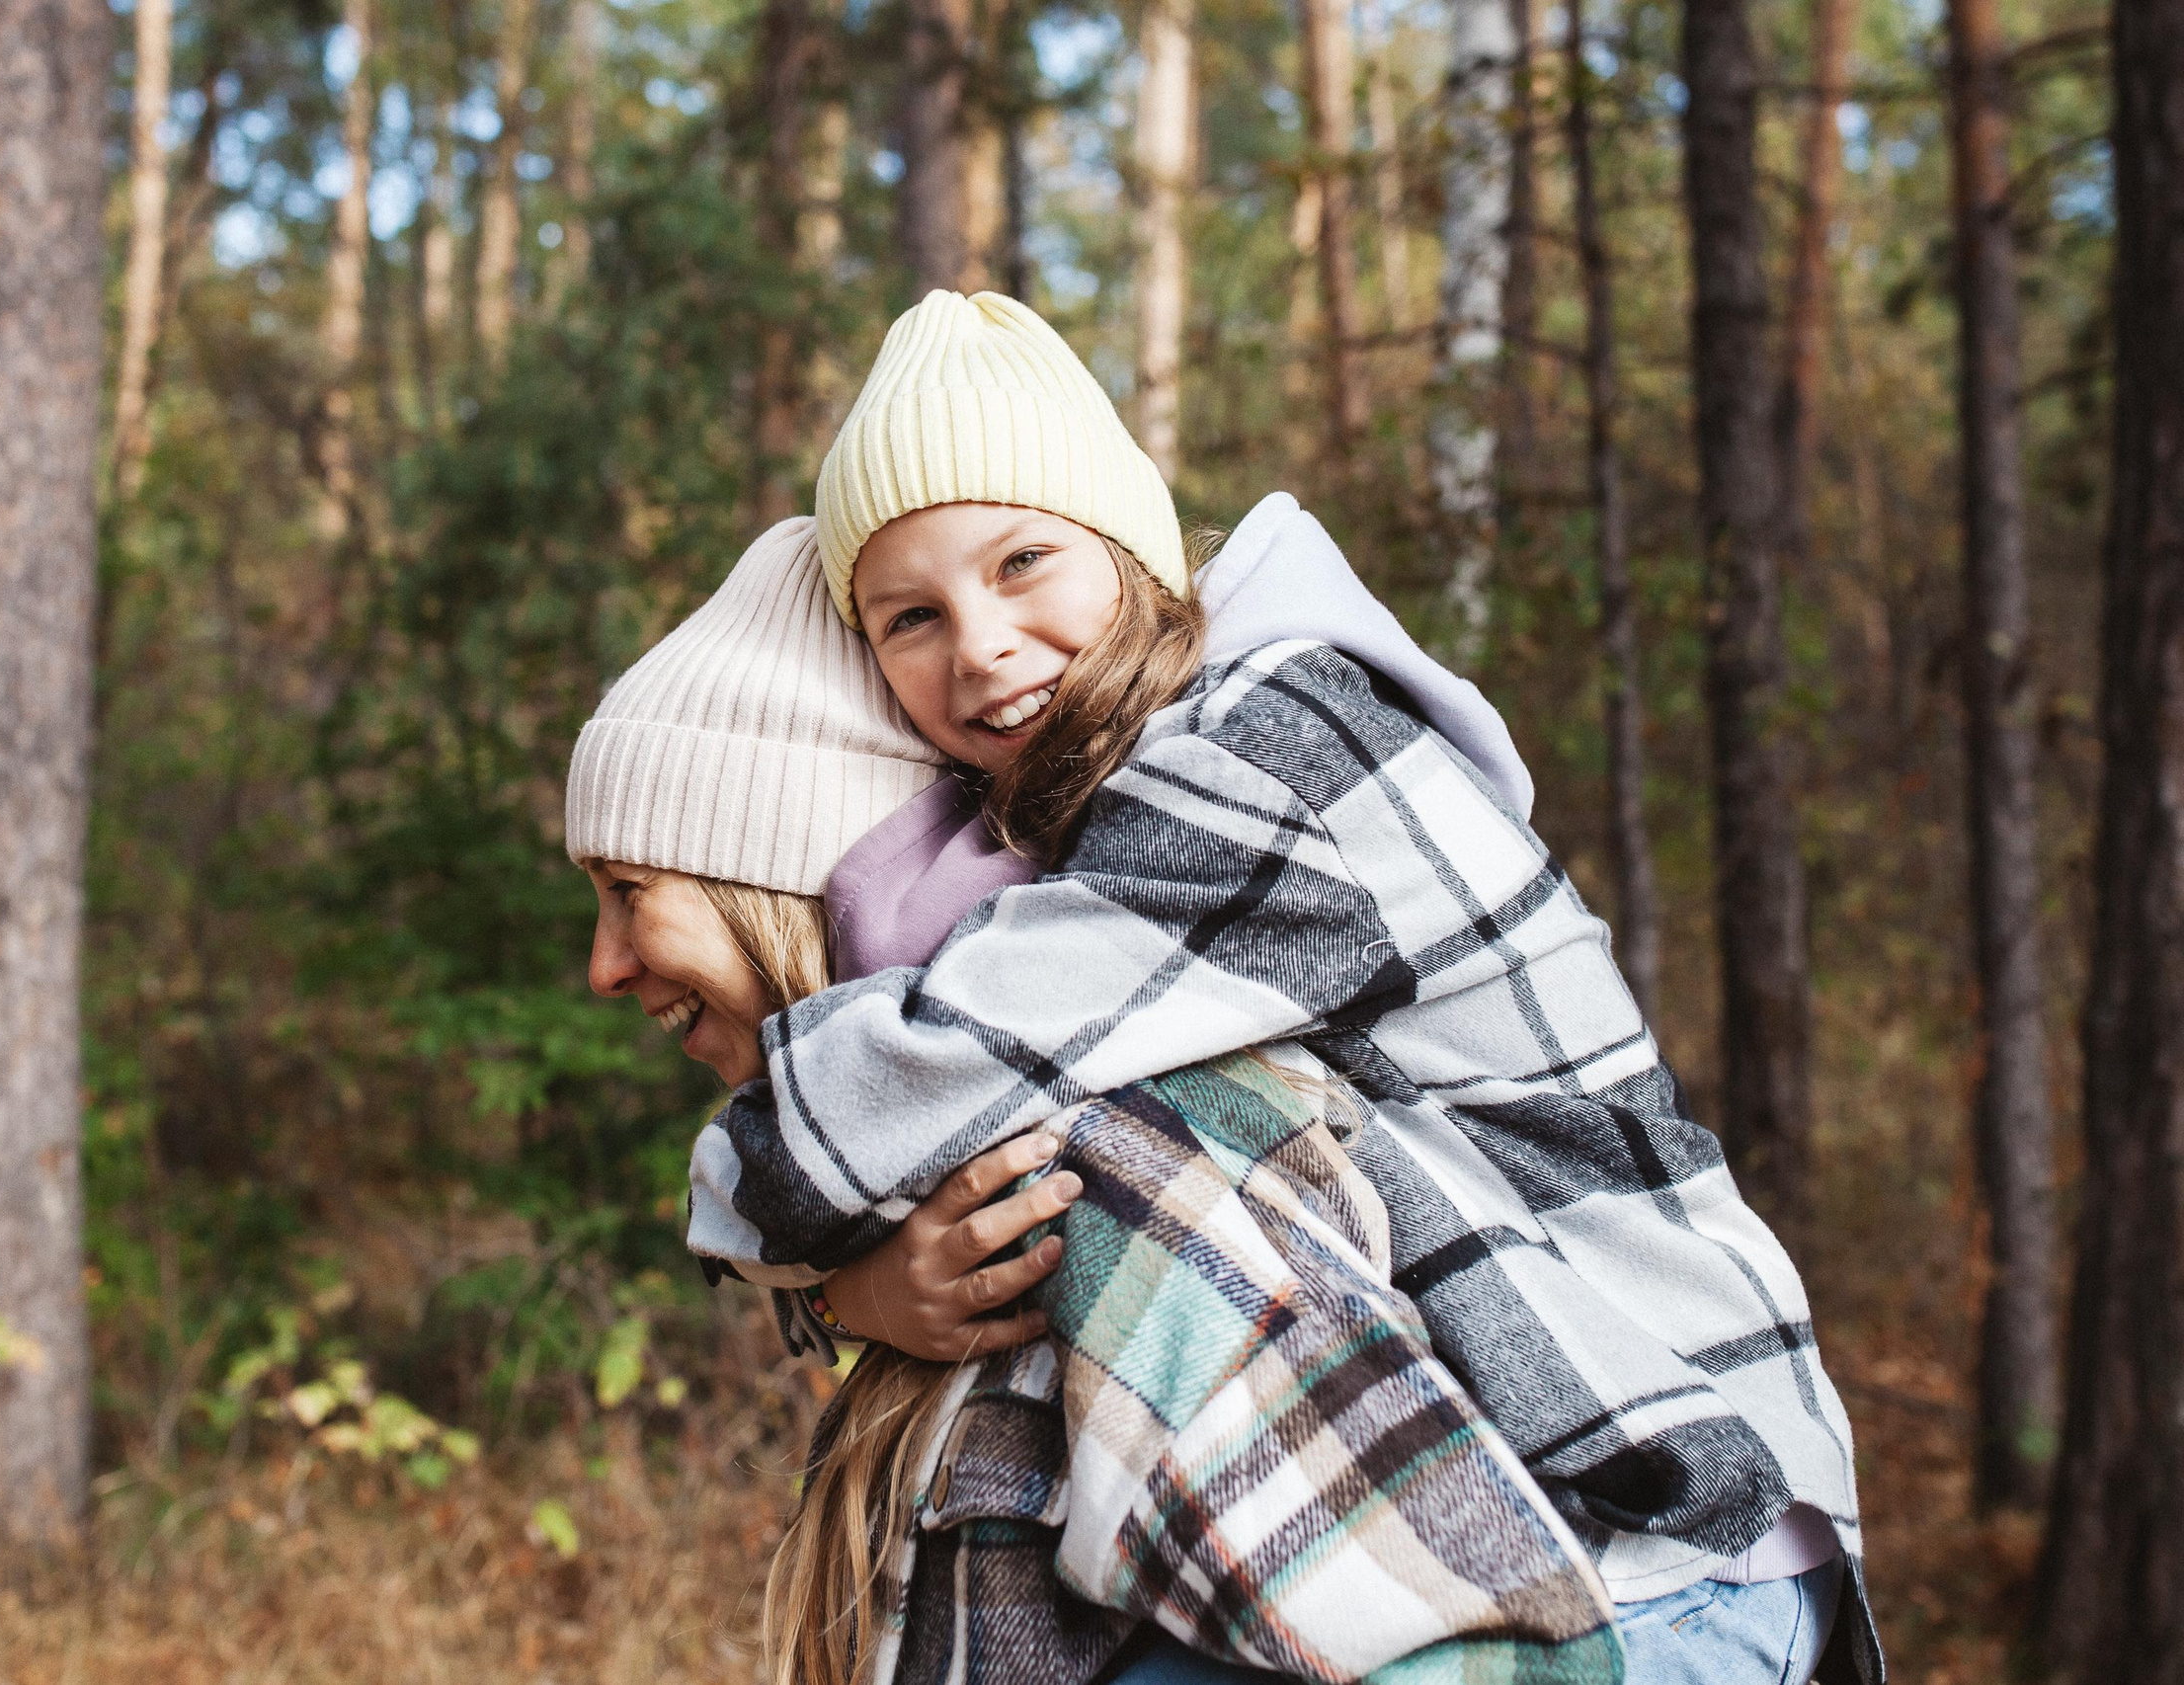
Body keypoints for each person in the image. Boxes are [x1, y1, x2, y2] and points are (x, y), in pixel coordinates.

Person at [686, 290, 1881, 1685]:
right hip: (1526, 1518)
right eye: (909, 618)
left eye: (1023, 562)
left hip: (1657, 1527)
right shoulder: (1125, 800)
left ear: (1130, 549)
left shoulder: (1273, 749)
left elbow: (937, 1074)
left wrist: (749, 1213)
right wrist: (844, 1298)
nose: (981, 644)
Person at [566, 518, 1622, 1685]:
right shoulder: (965, 1188)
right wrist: (844, 1288)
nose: (605, 965)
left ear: (766, 880)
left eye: (629, 890)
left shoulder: (1099, 1152)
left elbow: (1459, 1641)